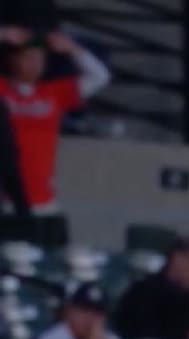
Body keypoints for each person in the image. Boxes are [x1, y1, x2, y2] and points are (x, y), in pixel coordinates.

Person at [0, 27, 110, 213]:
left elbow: (100, 77)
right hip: (6, 199)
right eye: (29, 57)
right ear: (13, 59)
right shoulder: (3, 90)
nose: (35, 64)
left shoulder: (54, 93)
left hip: (45, 200)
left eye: (39, 58)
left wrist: (73, 49)